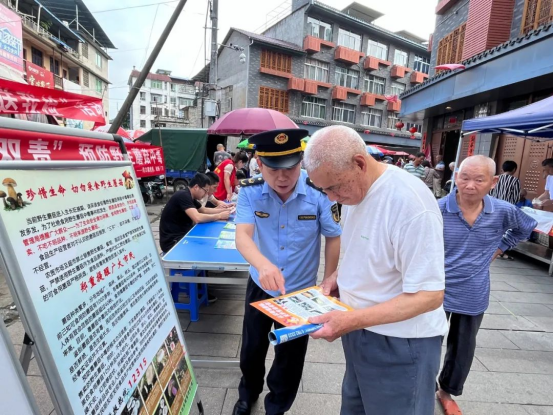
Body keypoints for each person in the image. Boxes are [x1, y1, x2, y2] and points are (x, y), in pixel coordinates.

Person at [303, 125, 448, 415]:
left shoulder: (410, 204)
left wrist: (350, 321)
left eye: (334, 187)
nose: (331, 198)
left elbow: (430, 295)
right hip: (360, 331)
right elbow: (364, 249)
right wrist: (337, 277)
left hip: (401, 343)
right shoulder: (354, 191)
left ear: (359, 163)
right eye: (323, 190)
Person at [232, 128, 342, 415]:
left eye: (291, 168)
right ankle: (248, 393)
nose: (283, 177)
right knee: (252, 347)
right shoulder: (251, 191)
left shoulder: (319, 192)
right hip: (261, 284)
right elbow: (243, 236)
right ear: (259, 162)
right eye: (273, 168)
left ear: (301, 162)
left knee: (290, 357)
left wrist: (330, 277)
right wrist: (262, 264)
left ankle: (277, 406)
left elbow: (334, 235)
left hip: (300, 291)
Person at [436, 155, 537, 415]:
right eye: (465, 177)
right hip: (435, 291)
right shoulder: (437, 208)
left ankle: (446, 391)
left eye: (479, 179)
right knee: (426, 342)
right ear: (455, 177)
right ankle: (421, 386)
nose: (470, 185)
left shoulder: (503, 210)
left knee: (463, 347)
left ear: (492, 182)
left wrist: (500, 247)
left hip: (473, 291)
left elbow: (526, 228)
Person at [159, 173, 230, 254]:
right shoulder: (183, 195)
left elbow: (204, 210)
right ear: (196, 187)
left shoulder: (190, 196)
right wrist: (219, 216)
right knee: (206, 249)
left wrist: (226, 210)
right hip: (172, 242)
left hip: (183, 235)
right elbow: (197, 218)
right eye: (205, 190)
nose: (206, 194)